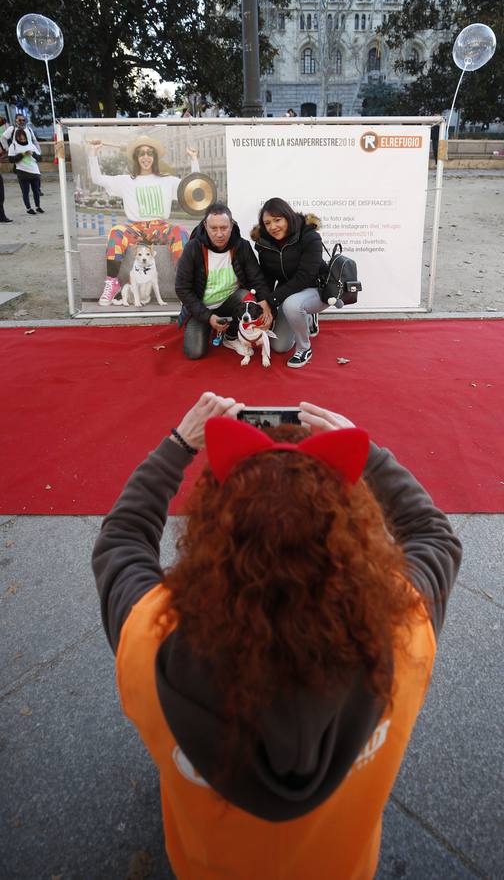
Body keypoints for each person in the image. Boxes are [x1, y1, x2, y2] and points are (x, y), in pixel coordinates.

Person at [93, 391, 461, 880]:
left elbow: (122, 539)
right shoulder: (402, 628)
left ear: (210, 534)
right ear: (355, 536)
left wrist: (179, 443)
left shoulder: (151, 636)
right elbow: (433, 535)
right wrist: (366, 451)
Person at [87, 135, 199, 305]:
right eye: (141, 153)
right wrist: (93, 154)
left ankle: (184, 286)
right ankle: (112, 282)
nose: (145, 157)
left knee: (181, 232)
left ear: (154, 157)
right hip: (135, 228)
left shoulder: (167, 180)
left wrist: (194, 159)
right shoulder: (125, 180)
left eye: (149, 153)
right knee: (116, 232)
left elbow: (193, 186)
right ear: (136, 157)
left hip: (159, 227)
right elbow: (97, 179)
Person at [175, 202, 273, 359]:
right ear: (205, 225)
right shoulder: (193, 248)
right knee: (194, 352)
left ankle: (231, 336)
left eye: (224, 228)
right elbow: (182, 288)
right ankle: (211, 328)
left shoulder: (242, 246)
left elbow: (257, 279)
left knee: (245, 296)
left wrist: (265, 304)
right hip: (202, 308)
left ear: (232, 225)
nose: (219, 234)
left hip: (230, 302)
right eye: (214, 228)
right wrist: (208, 317)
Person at [251, 196, 328, 368]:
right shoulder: (264, 243)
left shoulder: (310, 236)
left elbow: (305, 276)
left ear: (288, 217)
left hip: (316, 289)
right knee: (279, 346)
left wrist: (272, 301)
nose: (273, 227)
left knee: (292, 305)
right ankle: (307, 318)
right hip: (289, 293)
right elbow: (267, 277)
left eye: (278, 220)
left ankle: (304, 348)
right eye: (268, 223)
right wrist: (265, 306)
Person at [1, 113, 44, 195]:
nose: (22, 121)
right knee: (21, 172)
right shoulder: (12, 129)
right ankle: (25, 191)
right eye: (20, 120)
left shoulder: (29, 129)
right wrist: (7, 149)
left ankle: (38, 189)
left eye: (23, 120)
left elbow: (34, 141)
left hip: (30, 153)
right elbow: (3, 138)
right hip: (19, 154)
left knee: (36, 172)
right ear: (16, 120)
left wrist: (38, 152)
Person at [8, 127, 43, 215]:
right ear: (16, 138)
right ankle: (28, 208)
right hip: (22, 171)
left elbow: (40, 158)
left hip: (34, 171)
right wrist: (23, 154)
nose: (22, 140)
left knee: (36, 191)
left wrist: (33, 154)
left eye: (24, 138)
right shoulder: (13, 146)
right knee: (25, 192)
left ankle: (38, 206)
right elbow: (11, 159)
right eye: (20, 138)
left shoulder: (31, 145)